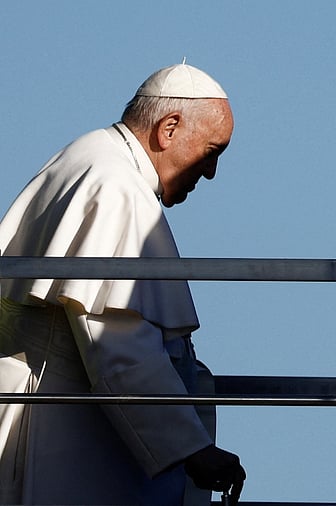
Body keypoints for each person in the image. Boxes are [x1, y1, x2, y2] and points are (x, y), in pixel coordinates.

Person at [0, 64, 246, 504]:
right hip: (64, 449)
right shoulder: (117, 187)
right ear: (168, 128)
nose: (210, 172)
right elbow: (119, 344)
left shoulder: (86, 156)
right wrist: (191, 448)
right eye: (211, 151)